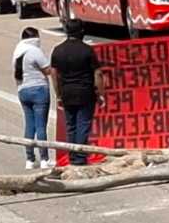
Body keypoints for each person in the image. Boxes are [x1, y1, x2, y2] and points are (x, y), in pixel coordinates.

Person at [50, 19, 104, 165]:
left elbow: (54, 74)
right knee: (83, 125)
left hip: (67, 92)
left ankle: (73, 156)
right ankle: (80, 158)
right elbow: (97, 74)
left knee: (71, 126)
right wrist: (101, 93)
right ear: (81, 31)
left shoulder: (58, 50)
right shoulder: (87, 50)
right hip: (85, 93)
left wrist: (58, 94)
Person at [13, 26, 54, 169]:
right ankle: (45, 159)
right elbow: (48, 70)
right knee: (41, 125)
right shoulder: (34, 51)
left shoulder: (17, 52)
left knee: (29, 125)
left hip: (23, 90)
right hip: (39, 89)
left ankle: (30, 159)